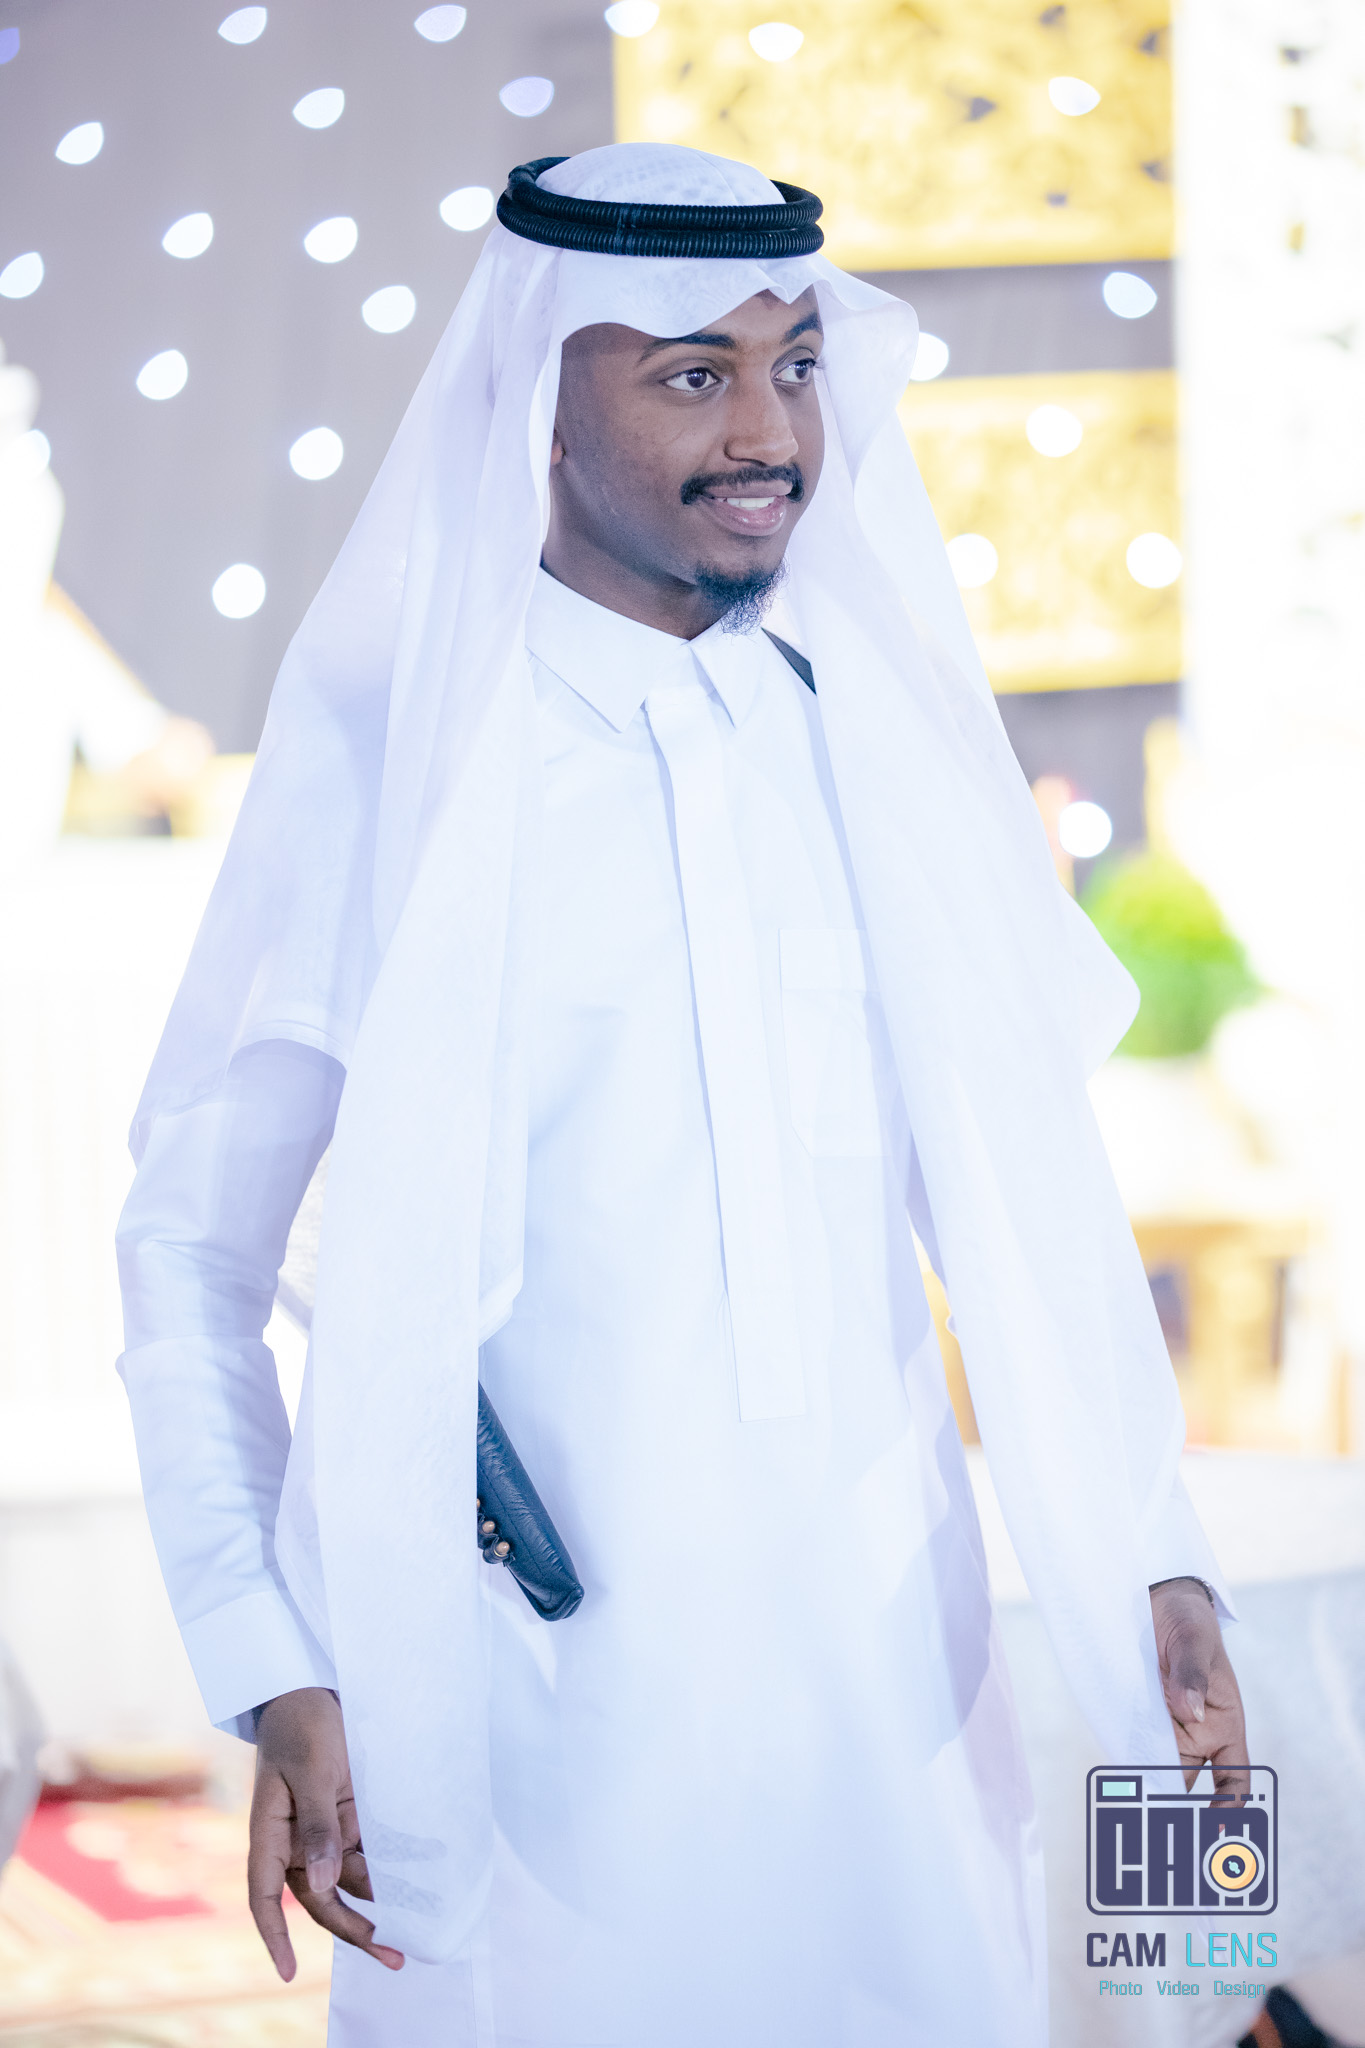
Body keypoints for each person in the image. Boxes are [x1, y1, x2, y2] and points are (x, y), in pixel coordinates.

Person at [116, 146, 1247, 2047]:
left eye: (795, 365)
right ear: (540, 399)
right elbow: (188, 1249)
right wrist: (273, 1654)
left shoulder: (871, 739)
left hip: (899, 1717)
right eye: (692, 374)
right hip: (524, 1735)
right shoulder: (397, 774)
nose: (768, 435)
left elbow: (1034, 1212)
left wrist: (1157, 1551)